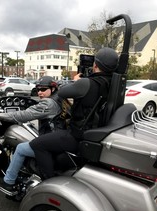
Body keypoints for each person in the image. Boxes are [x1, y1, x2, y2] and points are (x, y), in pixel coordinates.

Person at [30, 47, 119, 180]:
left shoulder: (86, 83)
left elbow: (61, 92)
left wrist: (77, 81)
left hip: (78, 136)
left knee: (37, 144)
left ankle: (47, 181)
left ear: (95, 65)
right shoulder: (115, 83)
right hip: (98, 133)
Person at [0, 76, 70, 193]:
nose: (40, 92)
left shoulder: (48, 103)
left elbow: (25, 115)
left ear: (53, 89)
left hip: (52, 144)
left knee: (20, 148)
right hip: (61, 139)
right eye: (38, 89)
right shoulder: (61, 99)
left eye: (43, 89)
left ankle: (8, 181)